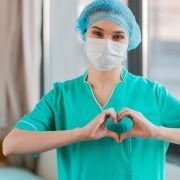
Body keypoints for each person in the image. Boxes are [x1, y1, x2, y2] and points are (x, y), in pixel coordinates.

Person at [3, 0, 180, 179]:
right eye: (97, 33)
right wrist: (79, 134)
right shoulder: (61, 96)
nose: (107, 43)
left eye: (118, 37)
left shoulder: (153, 94)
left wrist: (156, 131)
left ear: (129, 42)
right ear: (84, 33)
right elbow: (11, 144)